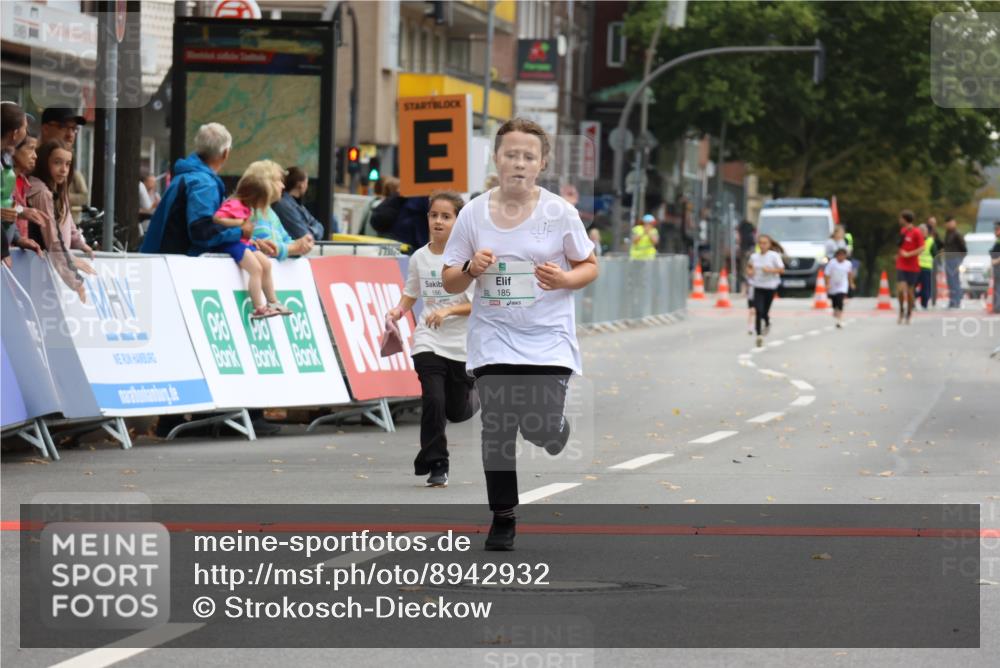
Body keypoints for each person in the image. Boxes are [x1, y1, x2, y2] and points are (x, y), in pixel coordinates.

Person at [441, 118, 598, 551]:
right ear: (497, 158)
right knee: (497, 426)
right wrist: (471, 268)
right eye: (511, 154)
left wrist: (565, 279)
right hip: (493, 336)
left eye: (529, 156)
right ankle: (503, 517)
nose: (519, 163)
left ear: (542, 163)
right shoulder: (473, 213)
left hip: (547, 339)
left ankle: (554, 430)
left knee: (539, 427)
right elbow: (451, 279)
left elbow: (589, 265)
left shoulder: (559, 212)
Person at [388, 191, 479, 488]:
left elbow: (477, 305)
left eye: (446, 216)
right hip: (428, 339)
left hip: (461, 344)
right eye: (434, 215)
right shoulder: (419, 257)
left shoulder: (468, 260)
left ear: (457, 221)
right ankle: (438, 462)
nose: (438, 221)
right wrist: (398, 310)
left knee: (455, 410)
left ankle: (476, 395)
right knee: (433, 400)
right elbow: (411, 293)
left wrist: (449, 310)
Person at [213, 173, 292, 320]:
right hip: (233, 243)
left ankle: (273, 302)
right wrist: (239, 223)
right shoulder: (234, 204)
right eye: (262, 200)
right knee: (256, 269)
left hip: (245, 242)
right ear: (253, 195)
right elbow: (217, 218)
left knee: (266, 264)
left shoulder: (247, 206)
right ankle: (259, 308)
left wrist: (252, 238)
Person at [26, 140, 97, 298]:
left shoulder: (59, 189)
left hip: (54, 266)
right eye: (57, 162)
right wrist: (75, 281)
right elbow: (53, 240)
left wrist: (79, 242)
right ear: (44, 163)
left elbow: (68, 221)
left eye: (68, 164)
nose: (64, 169)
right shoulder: (42, 193)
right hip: (39, 268)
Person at [1, 102, 46, 265]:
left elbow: (5, 205)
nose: (26, 132)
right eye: (24, 127)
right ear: (14, 134)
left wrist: (17, 238)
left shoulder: (5, 162)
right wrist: (3, 250)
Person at [242, 160, 314, 259]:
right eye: (279, 180)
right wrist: (296, 247)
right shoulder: (249, 212)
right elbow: (268, 249)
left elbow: (285, 241)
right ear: (266, 183)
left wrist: (300, 246)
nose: (283, 186)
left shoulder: (270, 213)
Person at [39, 107, 89, 219]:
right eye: (63, 127)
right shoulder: (29, 160)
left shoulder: (72, 170)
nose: (70, 135)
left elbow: (84, 196)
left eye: (74, 129)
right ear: (46, 129)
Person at [746, 234, 785, 348]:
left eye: (765, 243)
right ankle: (759, 335)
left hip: (770, 287)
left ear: (769, 244)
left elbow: (782, 270)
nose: (762, 245)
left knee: (764, 311)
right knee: (758, 310)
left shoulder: (774, 256)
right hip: (758, 286)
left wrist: (770, 270)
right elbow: (749, 267)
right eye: (760, 243)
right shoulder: (754, 257)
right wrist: (750, 272)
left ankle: (767, 322)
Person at [272, 166, 325, 241]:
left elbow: (319, 226)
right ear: (301, 184)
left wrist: (309, 230)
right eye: (306, 183)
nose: (307, 187)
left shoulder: (298, 205)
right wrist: (311, 230)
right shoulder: (284, 206)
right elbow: (304, 235)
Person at [895, 209, 925, 324]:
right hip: (901, 265)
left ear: (905, 219)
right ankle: (901, 311)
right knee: (900, 289)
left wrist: (909, 254)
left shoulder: (916, 232)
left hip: (913, 266)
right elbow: (900, 245)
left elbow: (922, 248)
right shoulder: (903, 231)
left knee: (910, 292)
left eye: (901, 218)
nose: (899, 220)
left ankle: (909, 313)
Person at [826, 246, 855, 328]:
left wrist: (851, 283)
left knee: (840, 301)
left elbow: (850, 274)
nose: (841, 257)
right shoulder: (832, 263)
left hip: (842, 285)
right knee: (834, 303)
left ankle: (839, 320)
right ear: (836, 255)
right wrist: (827, 283)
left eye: (843, 255)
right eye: (839, 255)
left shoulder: (848, 264)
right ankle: (835, 311)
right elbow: (827, 274)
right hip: (833, 285)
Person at [942, 215, 966, 308]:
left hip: (955, 259)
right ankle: (952, 300)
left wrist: (960, 259)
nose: (949, 225)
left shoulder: (957, 234)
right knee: (950, 281)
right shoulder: (948, 233)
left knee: (954, 280)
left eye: (951, 223)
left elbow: (963, 248)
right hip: (948, 259)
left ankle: (956, 301)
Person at [916, 222, 934, 310]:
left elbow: (935, 254)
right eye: (921, 231)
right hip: (917, 267)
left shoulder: (930, 241)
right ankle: (921, 303)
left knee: (925, 287)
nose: (922, 233)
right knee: (920, 287)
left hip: (925, 267)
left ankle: (923, 303)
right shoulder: (929, 241)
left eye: (923, 231)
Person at [991, 221, 1000, 315]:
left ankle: (998, 307)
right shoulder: (997, 240)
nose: (995, 231)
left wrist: (996, 261)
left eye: (997, 229)